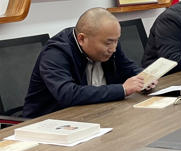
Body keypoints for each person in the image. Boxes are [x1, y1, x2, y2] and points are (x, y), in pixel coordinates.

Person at [23, 8, 151, 118]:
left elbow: (126, 66)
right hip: (50, 122)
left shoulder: (110, 42)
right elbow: (68, 94)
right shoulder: (55, 53)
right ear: (82, 39)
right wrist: (122, 89)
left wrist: (143, 77)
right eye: (108, 43)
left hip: (96, 112)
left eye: (116, 41)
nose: (113, 48)